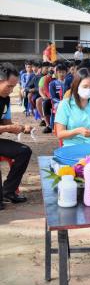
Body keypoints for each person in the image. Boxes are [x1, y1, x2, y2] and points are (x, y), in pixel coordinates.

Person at [0, 63, 32, 208]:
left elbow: (7, 122)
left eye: (14, 87)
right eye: (9, 86)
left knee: (24, 151)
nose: (11, 90)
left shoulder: (5, 99)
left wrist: (20, 128)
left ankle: (8, 191)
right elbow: (6, 126)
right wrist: (9, 127)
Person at [55, 68, 90, 146]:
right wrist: (77, 131)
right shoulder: (65, 105)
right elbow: (60, 134)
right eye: (85, 86)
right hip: (71, 147)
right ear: (76, 86)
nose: (88, 90)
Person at [47, 63, 67, 129]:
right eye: (59, 72)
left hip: (68, 101)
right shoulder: (52, 83)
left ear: (66, 73)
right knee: (60, 106)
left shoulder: (69, 82)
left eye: (63, 72)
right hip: (57, 103)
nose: (61, 74)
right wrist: (61, 102)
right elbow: (52, 98)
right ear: (56, 73)